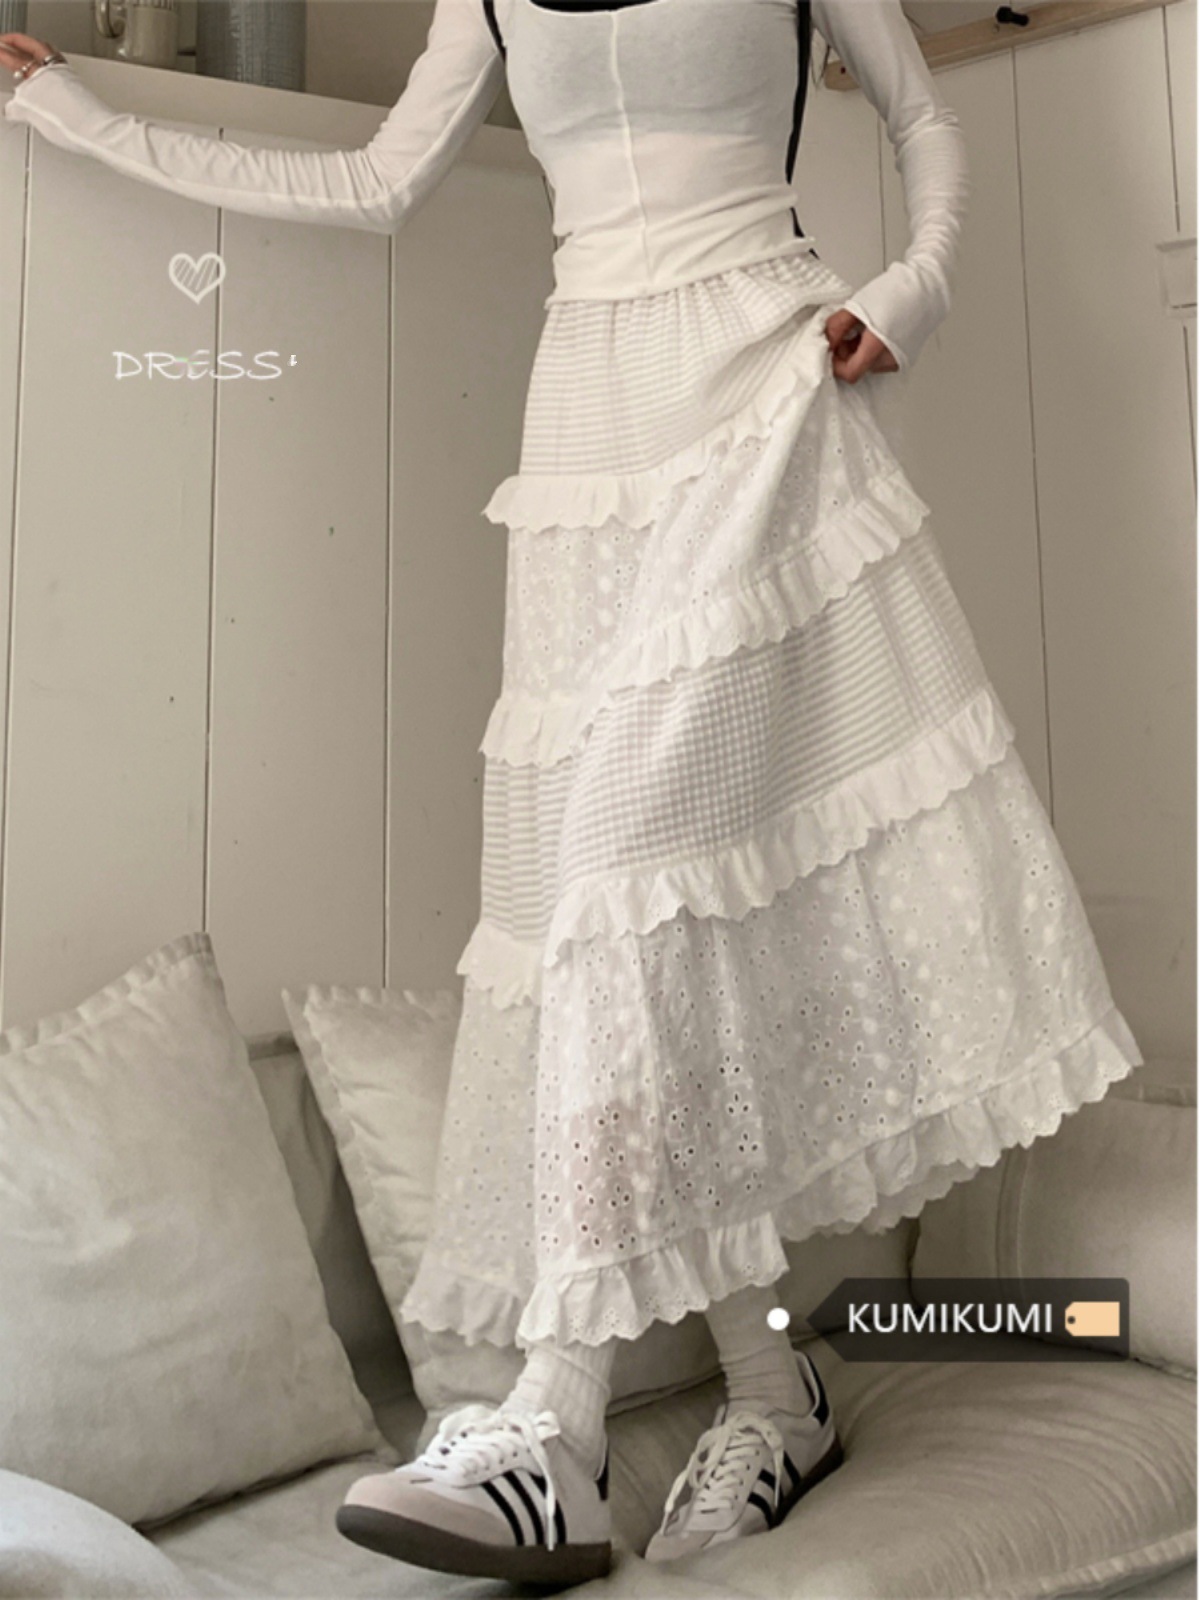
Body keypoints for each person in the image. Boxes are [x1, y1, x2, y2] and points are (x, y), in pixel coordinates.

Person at [2, 1, 1143, 1587]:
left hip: (765, 399)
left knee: (620, 894)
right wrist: (74, 117)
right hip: (586, 430)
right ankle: (776, 1386)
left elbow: (923, 117)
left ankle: (554, 1421)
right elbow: (374, 182)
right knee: (629, 931)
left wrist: (914, 290)